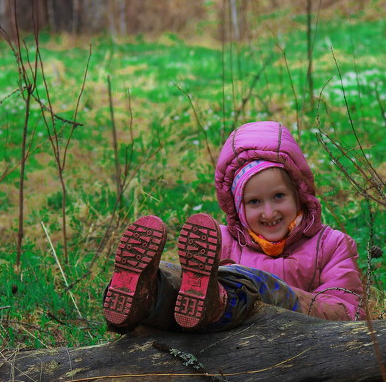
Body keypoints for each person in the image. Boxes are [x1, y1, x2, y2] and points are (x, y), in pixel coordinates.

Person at [103, 120, 364, 333]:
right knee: (178, 283)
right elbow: (188, 299)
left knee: (248, 282)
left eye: (278, 196)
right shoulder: (222, 240)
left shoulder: (332, 245)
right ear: (238, 208)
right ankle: (145, 294)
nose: (269, 212)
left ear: (299, 193)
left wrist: (274, 292)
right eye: (254, 202)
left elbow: (345, 312)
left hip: (296, 338)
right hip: (224, 341)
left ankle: (220, 301)